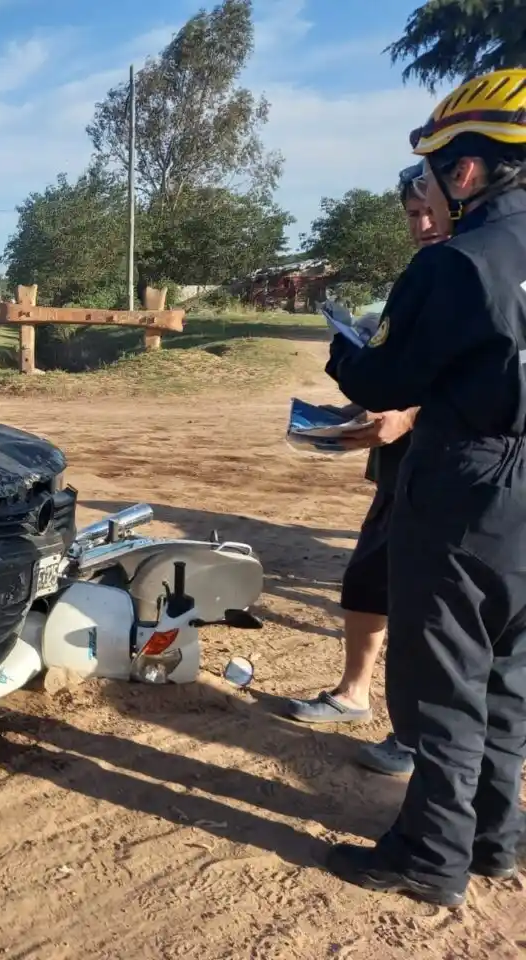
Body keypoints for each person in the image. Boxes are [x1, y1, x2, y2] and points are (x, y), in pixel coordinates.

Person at [320, 67, 526, 908]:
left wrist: (345, 349)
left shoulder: (455, 265)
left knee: (443, 675)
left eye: (435, 172)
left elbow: (385, 379)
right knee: (509, 673)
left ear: (465, 170)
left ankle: (431, 854)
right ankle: (494, 839)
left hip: (466, 483)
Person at [283, 165, 447, 782]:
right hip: (400, 471)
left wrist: (410, 417)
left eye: (430, 209)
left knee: (432, 606)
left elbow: (489, 386)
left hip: (453, 475)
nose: (423, 224)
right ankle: (354, 694)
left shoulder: (482, 281)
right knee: (368, 580)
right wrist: (360, 404)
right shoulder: (424, 279)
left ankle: (424, 737)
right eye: (412, 214)